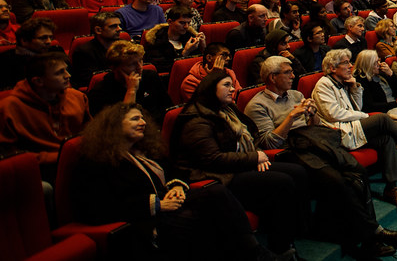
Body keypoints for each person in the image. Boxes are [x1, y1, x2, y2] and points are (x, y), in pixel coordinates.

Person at [243, 55, 397, 259]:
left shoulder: (294, 95)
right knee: (339, 181)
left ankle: (370, 237)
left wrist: (311, 115)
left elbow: (316, 126)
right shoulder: (257, 105)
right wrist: (291, 117)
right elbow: (269, 142)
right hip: (291, 153)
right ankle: (373, 235)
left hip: (316, 143)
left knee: (357, 173)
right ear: (272, 77)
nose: (293, 75)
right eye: (288, 72)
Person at [73, 103, 280, 261]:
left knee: (215, 193)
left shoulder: (145, 150)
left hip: (170, 204)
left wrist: (177, 185)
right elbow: (97, 208)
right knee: (203, 218)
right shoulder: (97, 160)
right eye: (135, 119)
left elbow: (176, 170)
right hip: (141, 219)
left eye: (143, 118)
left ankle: (255, 252)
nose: (143, 122)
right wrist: (156, 204)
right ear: (115, 125)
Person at [171, 69, 308, 258]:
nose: (233, 89)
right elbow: (212, 159)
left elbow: (248, 137)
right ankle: (281, 246)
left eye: (233, 85)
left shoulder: (226, 109)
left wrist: (253, 156)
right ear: (211, 88)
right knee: (282, 182)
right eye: (226, 85)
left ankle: (293, 236)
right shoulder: (197, 119)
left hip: (237, 164)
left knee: (297, 171)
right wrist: (252, 159)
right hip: (216, 176)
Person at [312, 48, 397, 211]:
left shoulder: (345, 82)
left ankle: (391, 187)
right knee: (382, 119)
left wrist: (355, 88)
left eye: (350, 62)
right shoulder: (323, 85)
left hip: (352, 126)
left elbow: (357, 106)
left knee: (386, 139)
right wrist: (364, 116)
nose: (350, 66)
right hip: (337, 131)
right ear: (333, 68)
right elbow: (334, 114)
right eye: (346, 63)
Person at [0, 52, 90, 181]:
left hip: (78, 161)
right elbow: (10, 156)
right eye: (60, 73)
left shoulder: (77, 97)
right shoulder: (9, 108)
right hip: (38, 170)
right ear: (38, 81)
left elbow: (89, 133)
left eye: (66, 70)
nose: (68, 76)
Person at [88, 39, 171, 121]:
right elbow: (118, 126)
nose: (139, 67)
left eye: (140, 61)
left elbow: (168, 108)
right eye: (132, 64)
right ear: (114, 68)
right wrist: (131, 90)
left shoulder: (150, 76)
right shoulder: (100, 92)